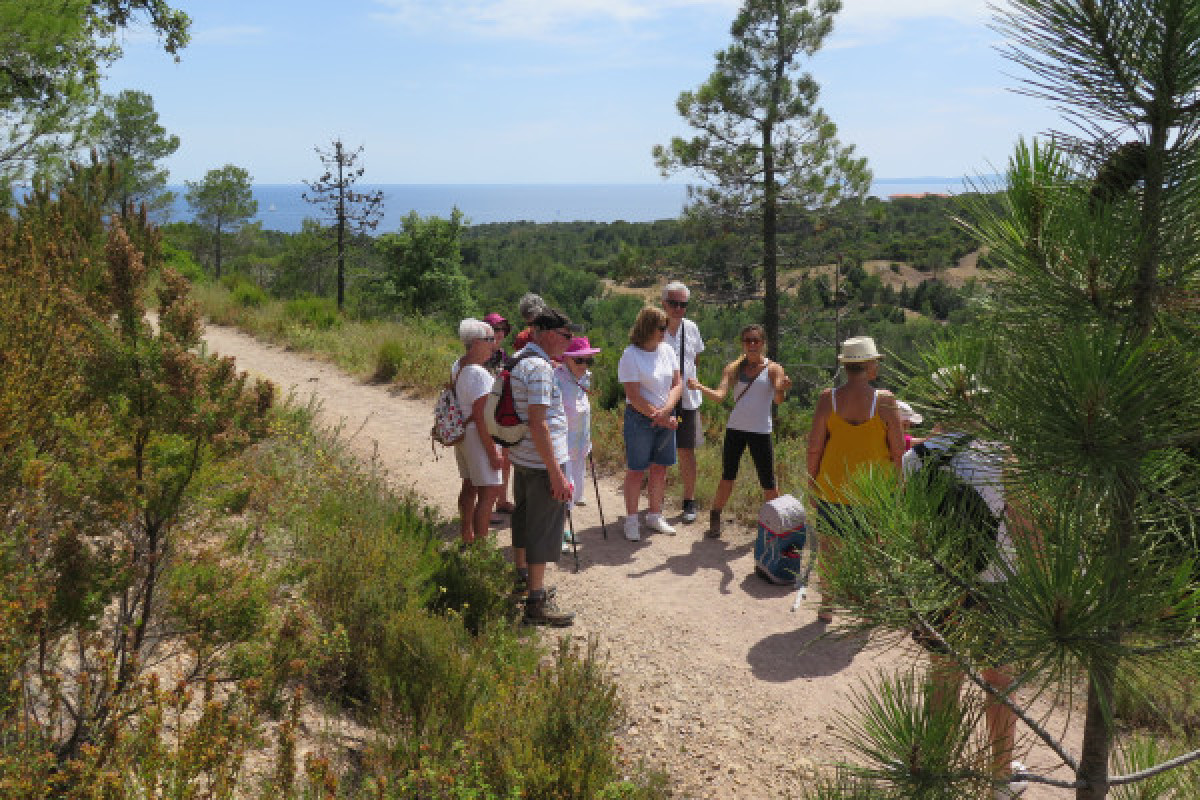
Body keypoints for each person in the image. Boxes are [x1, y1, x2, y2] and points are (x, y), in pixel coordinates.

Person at [903, 368, 1029, 800]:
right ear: (972, 404)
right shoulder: (1002, 455)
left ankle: (935, 772)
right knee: (1001, 681)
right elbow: (1027, 525)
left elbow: (911, 531)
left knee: (943, 678)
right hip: (997, 583)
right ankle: (998, 780)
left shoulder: (914, 458)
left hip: (942, 583)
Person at [806, 335, 905, 622]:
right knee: (871, 550)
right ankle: (869, 608)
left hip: (833, 487)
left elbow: (815, 446)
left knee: (829, 549)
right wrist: (899, 489)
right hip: (874, 492)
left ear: (847, 367)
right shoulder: (885, 402)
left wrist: (812, 483)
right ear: (871, 366)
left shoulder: (829, 399)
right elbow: (898, 450)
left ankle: (827, 604)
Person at [688, 324, 791, 538]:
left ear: (763, 343)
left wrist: (781, 388)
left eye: (756, 340)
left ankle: (776, 525)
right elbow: (719, 396)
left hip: (761, 431)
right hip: (736, 428)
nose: (752, 344)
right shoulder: (733, 368)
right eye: (747, 340)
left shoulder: (773, 368)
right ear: (742, 343)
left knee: (768, 482)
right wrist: (699, 387)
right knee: (728, 476)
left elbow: (778, 399)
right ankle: (715, 515)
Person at [508, 308, 576, 626]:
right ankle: (536, 601)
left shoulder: (520, 358)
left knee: (523, 520)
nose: (570, 341)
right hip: (539, 463)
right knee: (542, 530)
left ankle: (522, 576)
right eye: (567, 335)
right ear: (549, 333)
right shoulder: (539, 368)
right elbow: (539, 425)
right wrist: (556, 473)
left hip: (523, 458)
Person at [617, 306, 682, 542]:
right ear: (648, 328)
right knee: (636, 470)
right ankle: (632, 520)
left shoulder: (667, 350)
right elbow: (633, 395)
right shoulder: (630, 355)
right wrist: (661, 416)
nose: (665, 332)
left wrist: (666, 411)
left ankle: (654, 515)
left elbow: (678, 383)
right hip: (640, 419)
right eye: (661, 327)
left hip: (664, 416)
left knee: (660, 468)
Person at [450, 318, 503, 546]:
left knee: (469, 485)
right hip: (478, 436)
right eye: (489, 339)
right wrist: (492, 452)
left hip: (464, 434)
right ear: (476, 342)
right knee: (489, 492)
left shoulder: (458, 365)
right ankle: (482, 550)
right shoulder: (479, 374)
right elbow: (482, 417)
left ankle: (466, 535)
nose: (494, 344)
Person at [662, 281, 705, 523]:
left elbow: (695, 358)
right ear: (664, 304)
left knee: (686, 450)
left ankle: (689, 501)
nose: (678, 309)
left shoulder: (692, 328)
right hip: (662, 399)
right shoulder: (655, 329)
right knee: (658, 450)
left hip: (688, 399)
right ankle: (656, 503)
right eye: (673, 303)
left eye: (683, 304)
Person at [555, 336, 600, 552]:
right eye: (579, 360)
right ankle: (555, 535)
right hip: (562, 447)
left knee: (574, 491)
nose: (584, 365)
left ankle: (563, 529)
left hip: (580, 445)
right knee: (564, 490)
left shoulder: (585, 378)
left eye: (587, 360)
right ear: (566, 359)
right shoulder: (557, 379)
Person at [483, 312, 516, 515]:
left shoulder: (502, 355)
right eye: (496, 329)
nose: (500, 333)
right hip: (486, 413)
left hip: (500, 412)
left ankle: (501, 500)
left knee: (505, 458)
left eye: (503, 329)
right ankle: (487, 509)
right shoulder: (479, 354)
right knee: (490, 460)